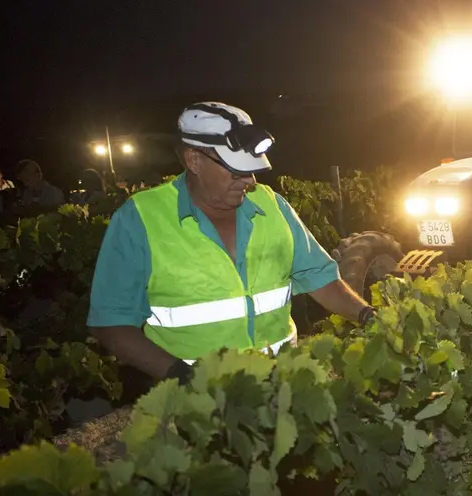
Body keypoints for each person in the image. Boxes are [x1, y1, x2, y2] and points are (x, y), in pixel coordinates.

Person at [87, 102, 376, 385]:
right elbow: (111, 324)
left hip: (282, 388)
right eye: (236, 171)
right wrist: (182, 377)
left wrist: (367, 315)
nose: (249, 181)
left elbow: (321, 279)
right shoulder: (140, 219)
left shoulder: (273, 206)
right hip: (195, 407)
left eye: (251, 171)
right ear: (193, 160)